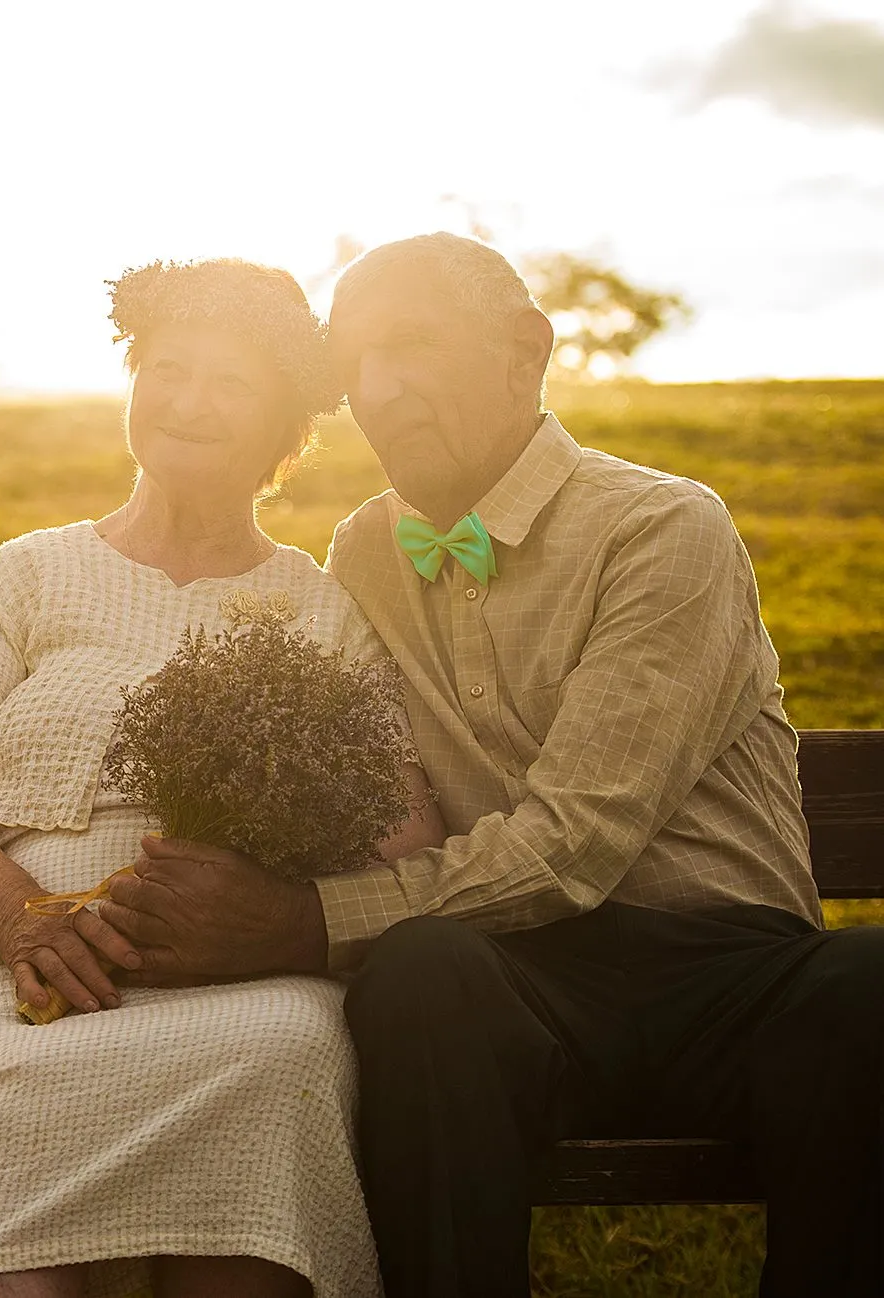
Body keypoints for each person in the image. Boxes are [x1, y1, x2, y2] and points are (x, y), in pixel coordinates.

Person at [97, 232, 884, 1297]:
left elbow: (574, 843)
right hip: (519, 986)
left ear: (527, 351)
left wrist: (299, 920)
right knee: (422, 977)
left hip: (728, 983)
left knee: (868, 981)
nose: (378, 390)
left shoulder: (663, 527)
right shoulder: (367, 550)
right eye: (356, 363)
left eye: (412, 347)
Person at [0, 257, 444, 1298]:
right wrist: (25, 920)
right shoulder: (24, 575)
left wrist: (265, 911)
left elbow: (405, 827)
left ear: (286, 430)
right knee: (23, 1087)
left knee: (283, 1050)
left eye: (229, 384)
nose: (187, 403)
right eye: (167, 369)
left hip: (248, 988)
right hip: (21, 988)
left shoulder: (325, 610)